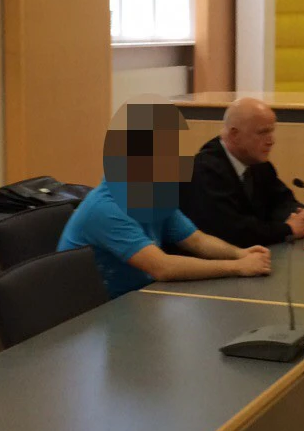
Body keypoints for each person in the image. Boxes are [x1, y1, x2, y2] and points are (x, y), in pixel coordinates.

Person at [58, 98, 271, 298]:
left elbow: (197, 240)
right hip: (100, 312)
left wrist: (239, 253)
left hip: (140, 299)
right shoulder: (105, 209)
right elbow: (162, 267)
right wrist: (237, 267)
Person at [180, 97, 304, 247]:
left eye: (271, 131)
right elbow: (231, 230)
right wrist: (288, 229)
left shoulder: (258, 163)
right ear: (235, 135)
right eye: (263, 132)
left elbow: (281, 201)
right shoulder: (205, 171)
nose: (271, 141)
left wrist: (301, 215)